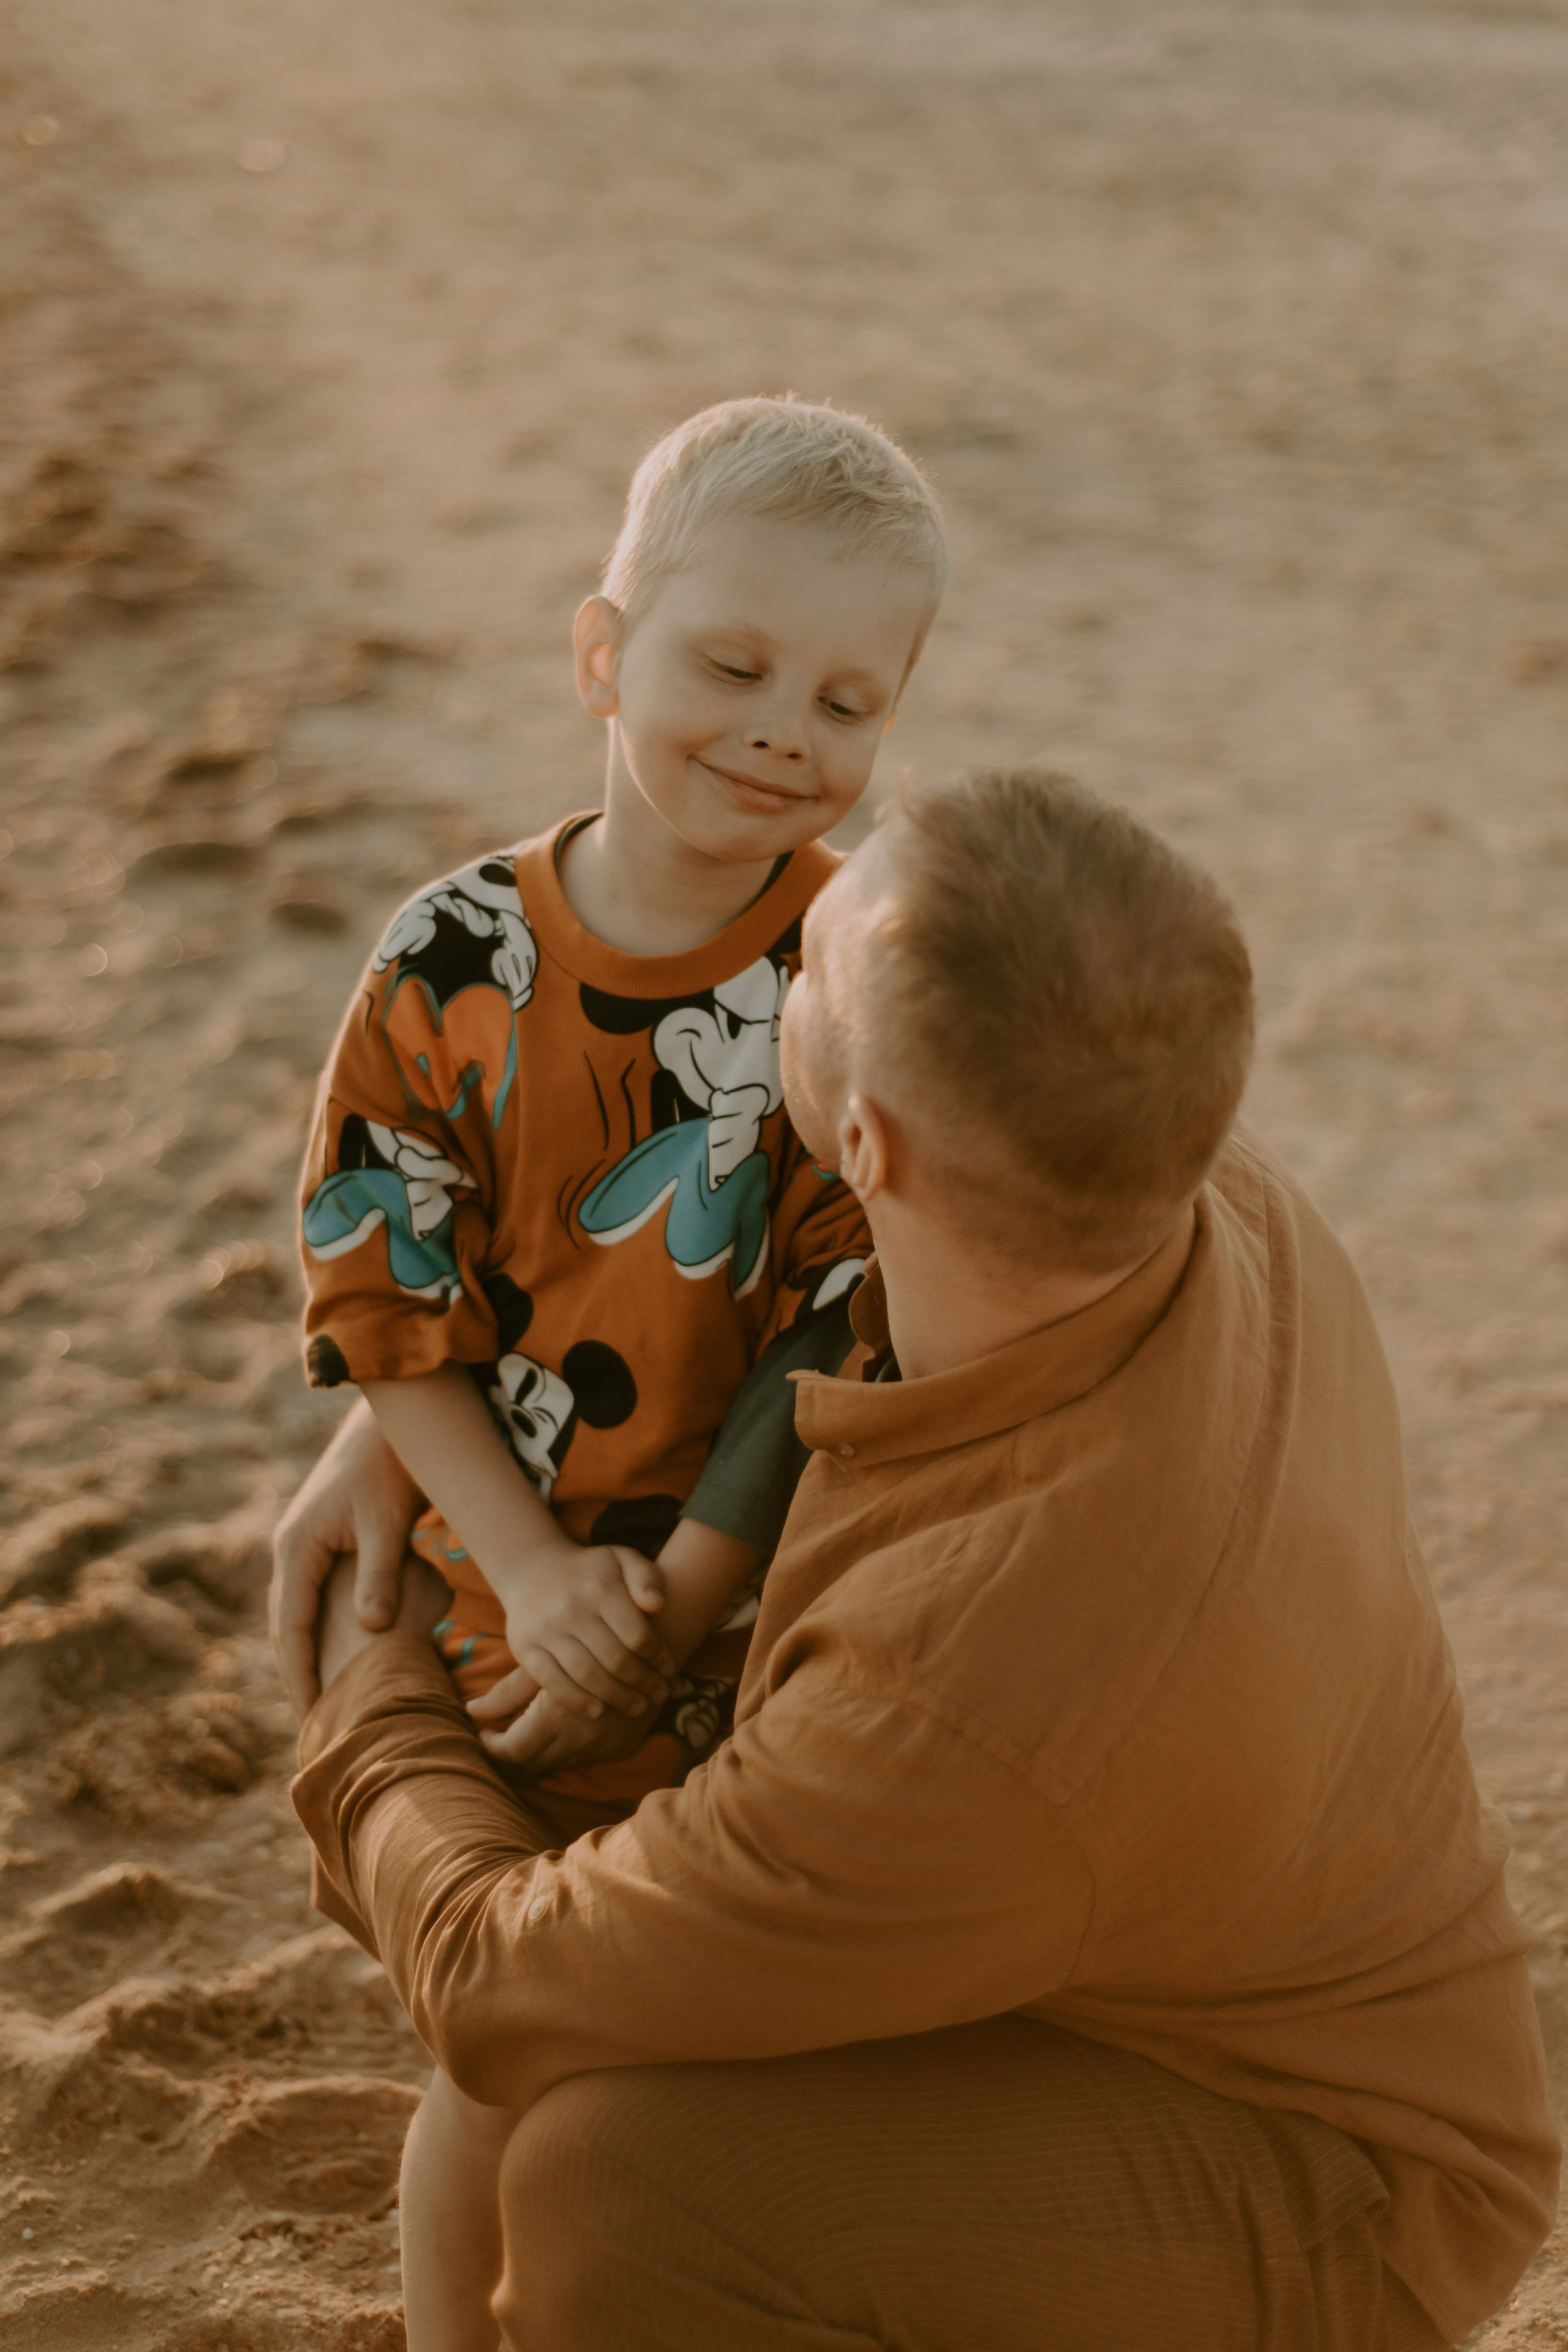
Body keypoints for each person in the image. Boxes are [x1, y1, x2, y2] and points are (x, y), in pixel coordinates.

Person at [280, 767, 1559, 2352]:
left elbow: (490, 1978)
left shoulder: (964, 1687)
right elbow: (777, 1297)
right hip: (1238, 1983)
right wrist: (406, 1424)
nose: (780, 959)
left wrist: (373, 1691)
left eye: (806, 972)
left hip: (1336, 2195)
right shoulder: (1202, 1203)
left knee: (622, 2179)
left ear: (866, 1143)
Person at [282, 396, 945, 2349]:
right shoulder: (452, 958)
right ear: (603, 654)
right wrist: (553, 1579)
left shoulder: (851, 966)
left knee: (709, 2047)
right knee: (510, 2046)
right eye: (729, 667)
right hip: (522, 1601)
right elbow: (392, 1299)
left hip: (758, 1617)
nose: (780, 734)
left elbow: (851, 1313)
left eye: (846, 701)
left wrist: (679, 1605)